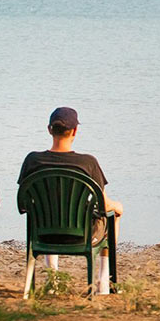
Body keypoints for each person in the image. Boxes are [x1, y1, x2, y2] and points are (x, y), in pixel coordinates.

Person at [17, 107, 123, 294]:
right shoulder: (87, 163)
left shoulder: (33, 160)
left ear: (49, 129)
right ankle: (103, 283)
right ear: (75, 131)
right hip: (81, 234)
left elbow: (24, 203)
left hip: (42, 234)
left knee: (49, 211)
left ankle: (53, 280)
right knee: (112, 215)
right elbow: (104, 204)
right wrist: (118, 206)